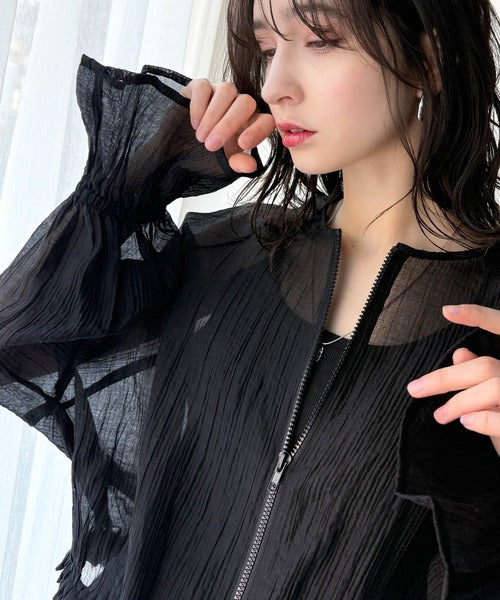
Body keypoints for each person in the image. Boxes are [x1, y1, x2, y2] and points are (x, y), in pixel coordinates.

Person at [0, 0, 499, 598]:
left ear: (429, 60)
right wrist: (147, 172)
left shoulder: (492, 328)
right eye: (267, 50)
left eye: (321, 40)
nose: (276, 85)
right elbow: (27, 341)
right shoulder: (222, 258)